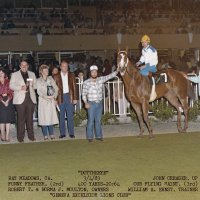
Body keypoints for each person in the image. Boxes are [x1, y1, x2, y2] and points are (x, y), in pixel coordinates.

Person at [82, 65, 118, 142]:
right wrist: (85, 102)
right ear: (90, 73)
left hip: (99, 104)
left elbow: (109, 76)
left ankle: (99, 136)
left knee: (98, 121)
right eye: (93, 72)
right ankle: (90, 137)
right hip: (91, 104)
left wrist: (117, 71)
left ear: (97, 72)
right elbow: (83, 94)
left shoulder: (100, 79)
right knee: (91, 121)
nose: (94, 73)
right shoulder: (86, 82)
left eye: (95, 72)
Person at [10, 60, 37, 143]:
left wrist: (32, 84)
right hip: (20, 99)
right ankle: (20, 137)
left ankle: (31, 136)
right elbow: (11, 85)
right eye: (22, 65)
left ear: (28, 66)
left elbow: (35, 86)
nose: (24, 66)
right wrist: (20, 88)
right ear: (20, 66)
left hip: (30, 98)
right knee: (21, 119)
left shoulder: (32, 74)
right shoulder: (15, 74)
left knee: (30, 119)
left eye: (25, 65)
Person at [53, 60, 77, 139]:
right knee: (61, 116)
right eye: (63, 66)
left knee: (70, 116)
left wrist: (75, 98)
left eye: (66, 66)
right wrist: (55, 99)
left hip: (69, 97)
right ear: (60, 67)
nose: (65, 67)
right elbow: (54, 89)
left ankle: (71, 133)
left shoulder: (72, 75)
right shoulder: (56, 76)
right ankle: (62, 133)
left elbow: (74, 87)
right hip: (60, 97)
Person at [36, 65, 59, 140]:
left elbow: (56, 88)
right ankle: (45, 135)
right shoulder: (38, 80)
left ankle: (51, 134)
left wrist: (54, 97)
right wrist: (45, 97)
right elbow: (39, 91)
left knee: (51, 117)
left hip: (51, 101)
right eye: (45, 71)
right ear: (41, 72)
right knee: (43, 118)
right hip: (43, 101)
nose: (47, 72)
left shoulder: (51, 79)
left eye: (47, 71)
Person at [0, 68, 15, 142]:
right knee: (2, 120)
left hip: (9, 101)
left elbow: (11, 92)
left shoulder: (8, 81)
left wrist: (8, 100)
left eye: (2, 73)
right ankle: (2, 135)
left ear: (4, 74)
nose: (1, 74)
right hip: (0, 101)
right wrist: (3, 101)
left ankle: (7, 135)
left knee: (8, 119)